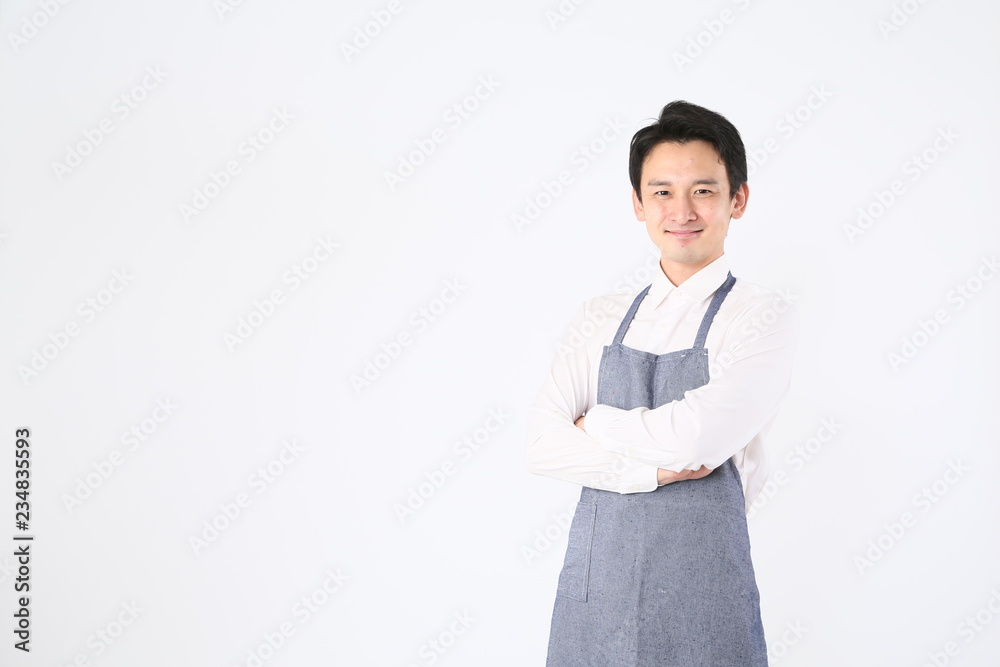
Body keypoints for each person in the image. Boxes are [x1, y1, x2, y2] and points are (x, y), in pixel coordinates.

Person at [524, 100, 799, 666]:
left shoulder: (760, 316)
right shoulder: (600, 316)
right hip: (597, 592)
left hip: (704, 592)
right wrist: (650, 472)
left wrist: (595, 424)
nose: (682, 211)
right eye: (662, 192)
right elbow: (542, 444)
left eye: (703, 190)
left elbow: (696, 438)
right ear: (638, 203)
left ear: (738, 199)